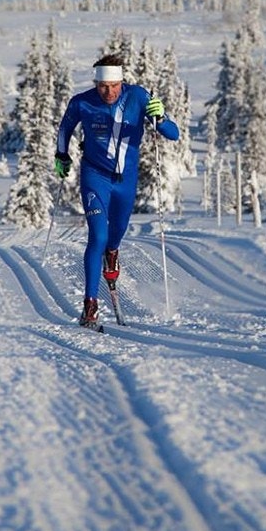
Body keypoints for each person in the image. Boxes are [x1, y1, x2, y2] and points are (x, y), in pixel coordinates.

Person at [54, 53, 179, 329]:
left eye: (113, 86)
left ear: (121, 81)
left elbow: (173, 133)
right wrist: (61, 155)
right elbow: (65, 128)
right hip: (94, 177)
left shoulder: (138, 97)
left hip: (126, 182)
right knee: (96, 236)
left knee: (115, 233)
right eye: (102, 86)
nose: (108, 92)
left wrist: (160, 116)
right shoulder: (82, 102)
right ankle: (90, 305)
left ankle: (113, 251)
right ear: (95, 83)